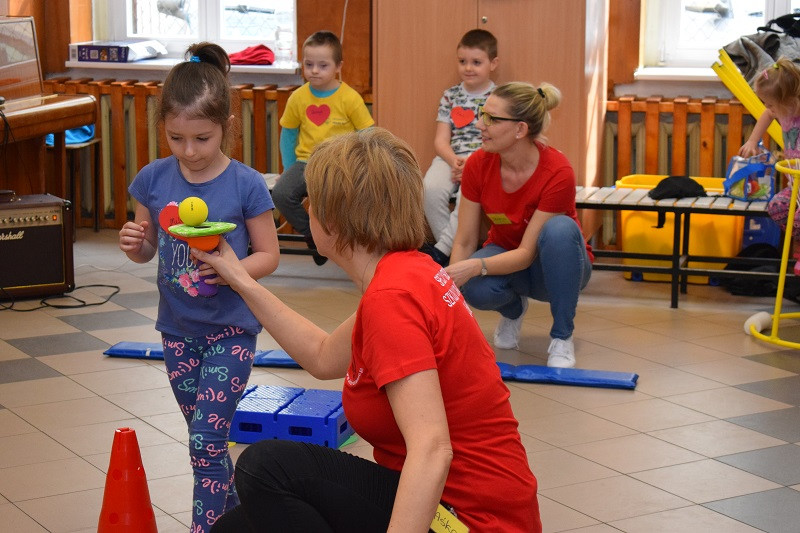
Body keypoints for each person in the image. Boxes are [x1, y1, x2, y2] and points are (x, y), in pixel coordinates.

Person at [199, 128, 541, 532]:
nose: (306, 210)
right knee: (235, 529)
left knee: (265, 467)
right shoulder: (410, 271)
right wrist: (241, 279)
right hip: (450, 503)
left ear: (332, 219)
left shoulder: (392, 298)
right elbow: (323, 356)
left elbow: (432, 450)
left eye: (311, 203)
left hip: (469, 520)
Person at [118, 42, 280, 533]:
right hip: (177, 331)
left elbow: (268, 255)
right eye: (176, 138)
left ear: (227, 126)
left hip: (231, 331)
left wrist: (232, 269)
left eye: (202, 139)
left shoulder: (247, 185)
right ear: (163, 128)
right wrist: (134, 244)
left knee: (207, 442)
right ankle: (239, 522)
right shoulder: (152, 179)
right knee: (203, 442)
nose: (189, 151)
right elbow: (148, 251)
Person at [446, 82, 593, 368]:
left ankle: (562, 336)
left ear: (520, 129)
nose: (479, 125)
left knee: (559, 230)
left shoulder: (558, 171)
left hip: (558, 268)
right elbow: (463, 242)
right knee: (473, 286)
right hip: (508, 258)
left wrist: (474, 266)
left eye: (491, 119)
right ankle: (513, 310)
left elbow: (528, 253)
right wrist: (452, 290)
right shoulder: (478, 165)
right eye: (481, 114)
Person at [272, 30, 374, 266]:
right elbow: (288, 135)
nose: (314, 70)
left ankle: (347, 248)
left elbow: (367, 134)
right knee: (281, 194)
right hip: (305, 163)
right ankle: (314, 237)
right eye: (309, 64)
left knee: (350, 202)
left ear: (338, 66)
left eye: (323, 65)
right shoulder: (297, 97)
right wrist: (288, 170)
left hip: (339, 165)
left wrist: (362, 167)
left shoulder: (350, 98)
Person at [420, 28, 499, 267]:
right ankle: (458, 249)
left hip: (485, 159)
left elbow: (498, 139)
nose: (468, 68)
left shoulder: (498, 97)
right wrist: (454, 160)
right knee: (429, 189)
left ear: (493, 64)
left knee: (468, 197)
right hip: (450, 157)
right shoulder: (451, 95)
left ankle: (443, 251)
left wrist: (472, 164)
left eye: (476, 62)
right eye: (463, 61)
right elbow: (440, 140)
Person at [739, 57, 800, 272]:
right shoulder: (778, 110)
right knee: (777, 207)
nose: (768, 108)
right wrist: (752, 140)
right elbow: (766, 114)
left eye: (771, 104)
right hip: (796, 189)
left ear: (788, 100)